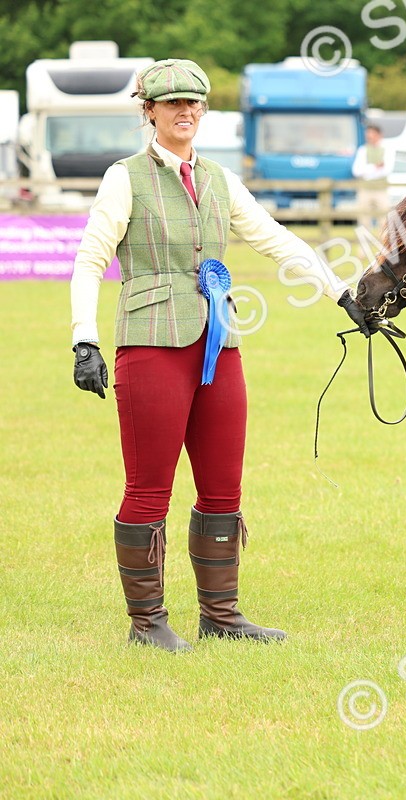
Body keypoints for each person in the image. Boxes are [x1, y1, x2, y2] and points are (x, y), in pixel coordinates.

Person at [69, 59, 374, 652]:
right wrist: (85, 339)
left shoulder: (219, 179)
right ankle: (148, 623)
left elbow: (275, 237)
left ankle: (222, 615)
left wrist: (341, 293)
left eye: (195, 105)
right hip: (150, 343)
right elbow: (89, 260)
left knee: (224, 487)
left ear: (204, 112)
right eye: (172, 104)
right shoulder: (123, 177)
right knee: (149, 488)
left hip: (218, 345)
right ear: (150, 112)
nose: (185, 113)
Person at [352, 123, 394, 230]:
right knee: (363, 222)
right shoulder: (363, 150)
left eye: (372, 134)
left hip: (381, 190)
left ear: (379, 135)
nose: (369, 137)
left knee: (384, 222)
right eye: (368, 134)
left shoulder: (387, 149)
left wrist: (367, 171)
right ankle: (363, 247)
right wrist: (375, 167)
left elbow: (386, 170)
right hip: (364, 189)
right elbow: (356, 171)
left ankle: (385, 247)